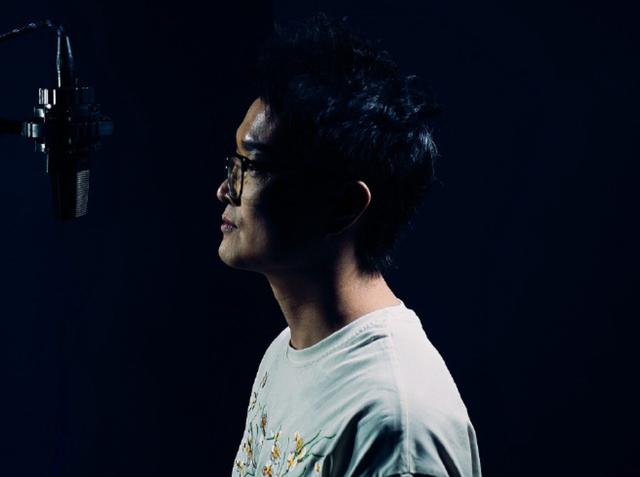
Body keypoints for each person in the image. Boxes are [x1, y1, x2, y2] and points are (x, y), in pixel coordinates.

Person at [216, 12, 481, 477]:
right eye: (232, 163)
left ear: (343, 206)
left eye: (251, 167)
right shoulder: (288, 351)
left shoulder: (394, 423)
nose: (225, 190)